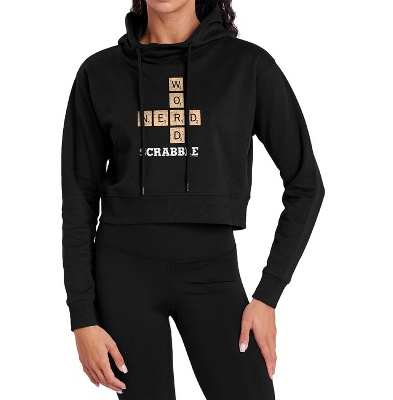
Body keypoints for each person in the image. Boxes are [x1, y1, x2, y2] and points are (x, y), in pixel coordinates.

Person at [61, 0, 325, 398]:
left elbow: (306, 184)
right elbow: (78, 199)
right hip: (122, 275)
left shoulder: (247, 66)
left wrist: (268, 296)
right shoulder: (99, 73)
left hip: (212, 271)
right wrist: (82, 317)